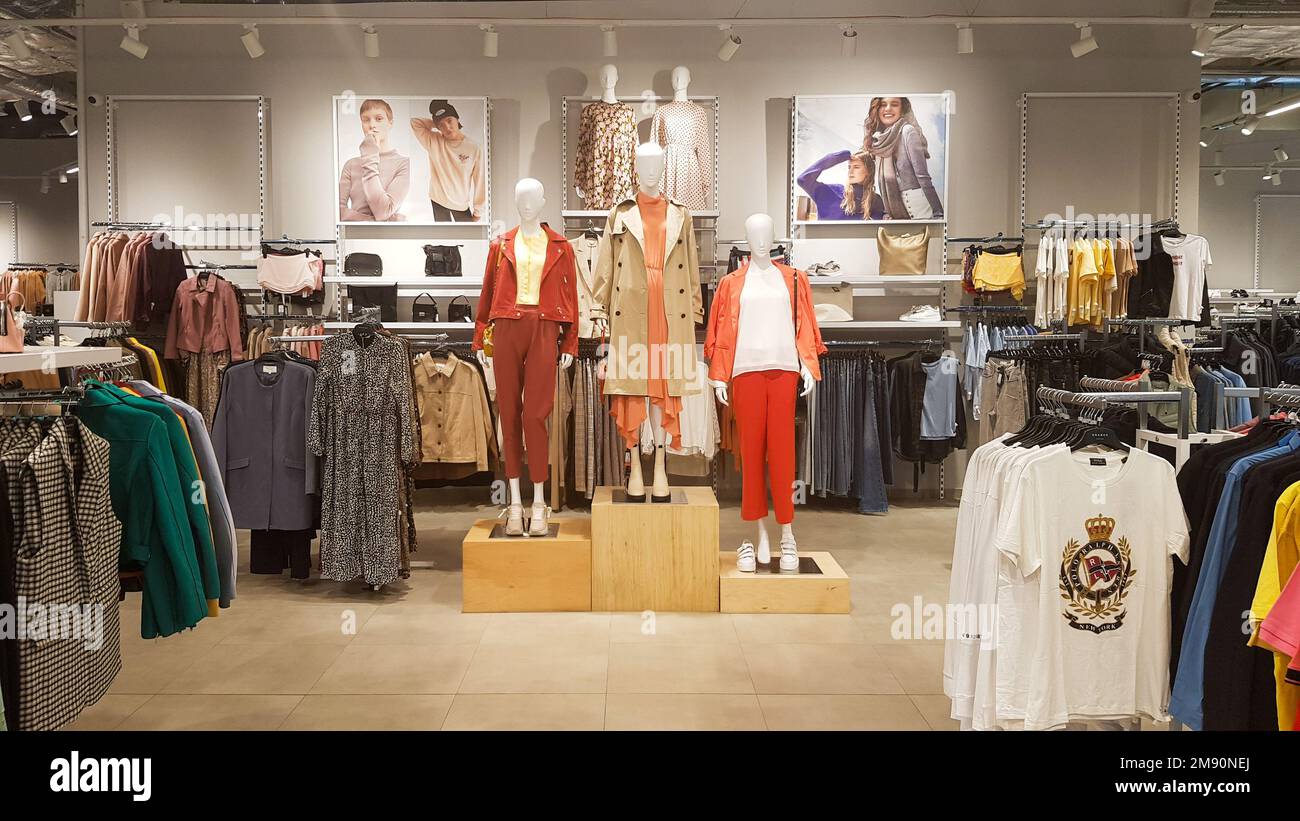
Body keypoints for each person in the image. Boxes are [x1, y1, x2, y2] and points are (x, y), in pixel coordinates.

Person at [863, 96, 943, 220]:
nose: (888, 109)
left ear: (902, 109)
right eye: (883, 105)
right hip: (895, 209)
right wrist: (886, 211)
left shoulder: (908, 132)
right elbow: (882, 183)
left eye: (894, 104)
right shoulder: (877, 140)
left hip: (918, 207)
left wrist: (938, 212)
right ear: (877, 109)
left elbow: (923, 176)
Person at [410, 99, 487, 222]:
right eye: (441, 125)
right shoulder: (434, 141)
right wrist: (437, 122)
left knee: (465, 239)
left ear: (457, 119)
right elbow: (415, 122)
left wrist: (478, 211)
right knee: (443, 239)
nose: (447, 127)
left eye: (449, 121)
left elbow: (480, 181)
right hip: (437, 201)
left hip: (460, 205)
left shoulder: (474, 148)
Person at [338, 98, 410, 222]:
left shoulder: (403, 163)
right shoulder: (350, 165)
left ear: (390, 123)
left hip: (391, 239)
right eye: (365, 120)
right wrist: (379, 221)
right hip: (356, 237)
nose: (372, 125)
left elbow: (383, 211)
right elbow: (339, 212)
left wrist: (370, 155)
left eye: (379, 119)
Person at [797, 149, 884, 221]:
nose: (850, 172)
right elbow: (803, 180)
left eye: (856, 167)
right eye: (849, 167)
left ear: (868, 172)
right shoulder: (830, 192)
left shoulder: (875, 200)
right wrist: (842, 156)